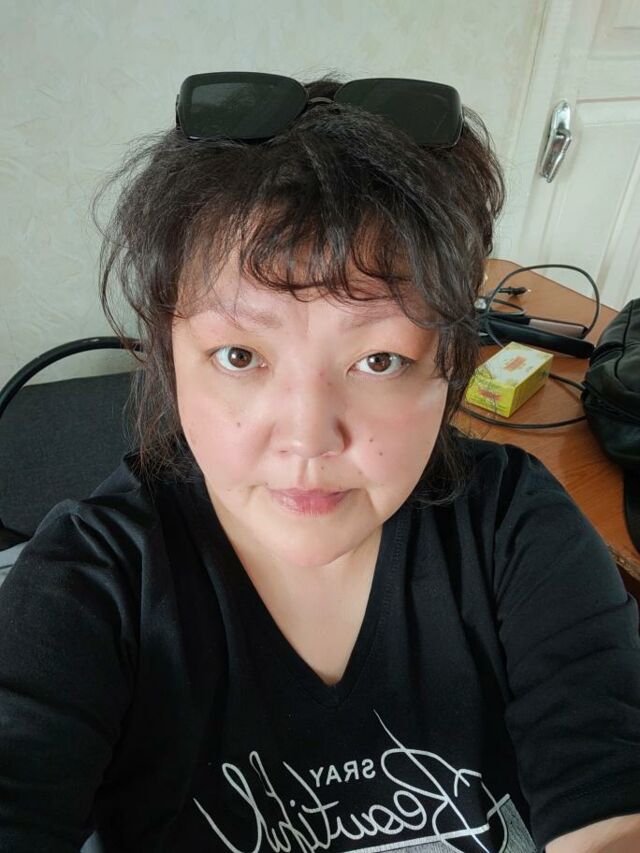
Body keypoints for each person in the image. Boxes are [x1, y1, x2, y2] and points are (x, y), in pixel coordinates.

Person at [0, 72, 638, 853]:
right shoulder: (93, 581)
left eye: (379, 360)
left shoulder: (515, 530)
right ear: (169, 357)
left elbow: (613, 805)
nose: (306, 440)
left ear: (450, 365)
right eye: (240, 355)